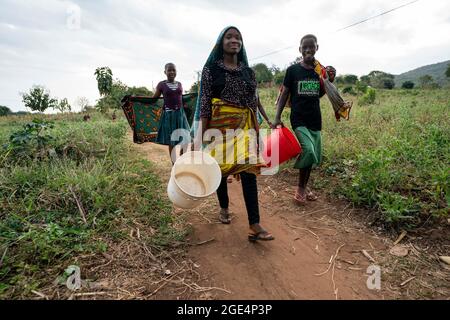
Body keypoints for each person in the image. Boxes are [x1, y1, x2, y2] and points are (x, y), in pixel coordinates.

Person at [192, 26, 274, 241]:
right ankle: (224, 207)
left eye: (238, 37)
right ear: (221, 42)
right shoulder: (211, 70)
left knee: (248, 169)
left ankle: (254, 224)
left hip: (243, 127)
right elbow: (205, 106)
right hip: (218, 127)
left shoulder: (249, 72)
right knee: (220, 171)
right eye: (229, 37)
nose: (234, 40)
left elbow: (252, 106)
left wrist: (257, 136)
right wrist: (199, 139)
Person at [273, 34, 332, 205]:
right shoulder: (293, 71)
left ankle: (304, 187)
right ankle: (299, 189)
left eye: (311, 47)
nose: (308, 50)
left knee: (314, 156)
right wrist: (277, 117)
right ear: (300, 50)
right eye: (304, 47)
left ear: (316, 48)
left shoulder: (320, 71)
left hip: (315, 118)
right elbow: (285, 93)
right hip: (298, 118)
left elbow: (319, 93)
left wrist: (328, 81)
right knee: (309, 151)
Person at [153, 63, 190, 163]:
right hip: (169, 116)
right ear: (165, 72)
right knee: (172, 141)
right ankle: (174, 164)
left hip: (180, 115)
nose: (172, 72)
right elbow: (154, 99)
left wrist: (185, 105)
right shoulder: (161, 85)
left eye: (174, 70)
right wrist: (137, 100)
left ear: (176, 71)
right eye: (169, 70)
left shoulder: (180, 84)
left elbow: (181, 97)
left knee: (185, 138)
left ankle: (181, 162)